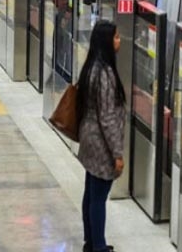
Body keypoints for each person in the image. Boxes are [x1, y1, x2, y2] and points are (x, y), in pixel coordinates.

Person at [77, 20, 125, 252]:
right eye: (116, 37)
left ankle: (90, 241)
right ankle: (99, 246)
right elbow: (107, 118)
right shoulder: (105, 73)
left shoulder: (91, 67)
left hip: (88, 138)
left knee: (90, 193)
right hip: (100, 144)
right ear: (107, 41)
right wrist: (117, 154)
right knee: (98, 198)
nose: (119, 41)